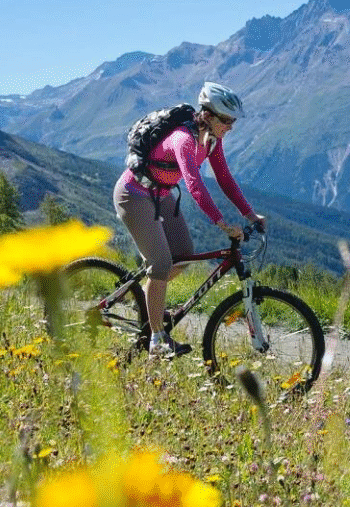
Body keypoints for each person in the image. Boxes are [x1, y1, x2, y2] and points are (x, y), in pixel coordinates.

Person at [113, 82, 266, 357]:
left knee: (183, 255)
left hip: (162, 195)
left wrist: (249, 213)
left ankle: (147, 300)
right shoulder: (183, 139)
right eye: (227, 120)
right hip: (133, 195)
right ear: (208, 116)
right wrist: (221, 223)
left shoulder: (211, 141)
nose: (231, 126)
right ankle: (157, 339)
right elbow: (195, 185)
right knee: (161, 263)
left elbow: (224, 178)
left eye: (233, 121)